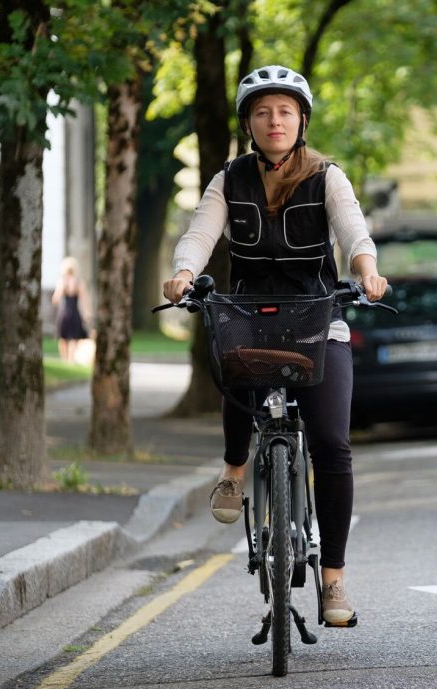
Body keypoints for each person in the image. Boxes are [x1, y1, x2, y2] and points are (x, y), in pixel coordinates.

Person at [162, 65, 388, 627]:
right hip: (249, 318)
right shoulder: (228, 179)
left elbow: (353, 230)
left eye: (285, 110)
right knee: (233, 366)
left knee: (333, 445)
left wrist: (368, 270)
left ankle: (332, 580)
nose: (274, 120)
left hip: (317, 320)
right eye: (262, 112)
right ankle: (235, 471)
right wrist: (183, 272)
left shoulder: (327, 176)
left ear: (301, 120)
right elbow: (200, 232)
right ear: (249, 124)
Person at [52, 257, 90, 363]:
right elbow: (85, 299)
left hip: (63, 312)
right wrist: (87, 313)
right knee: (74, 337)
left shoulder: (62, 281)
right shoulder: (79, 282)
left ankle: (65, 359)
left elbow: (55, 299)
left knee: (63, 338)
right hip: (75, 312)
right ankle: (70, 360)